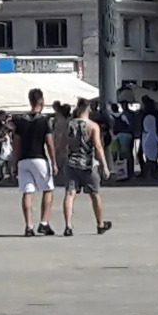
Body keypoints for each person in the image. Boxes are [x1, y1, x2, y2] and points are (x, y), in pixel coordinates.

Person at [59, 100, 113, 236]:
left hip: (72, 163)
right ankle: (100, 224)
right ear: (88, 109)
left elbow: (63, 144)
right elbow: (98, 147)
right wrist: (105, 166)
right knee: (94, 194)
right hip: (88, 164)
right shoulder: (93, 126)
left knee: (70, 194)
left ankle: (68, 225)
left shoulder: (69, 125)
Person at [14, 88, 58, 236]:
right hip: (39, 158)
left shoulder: (20, 121)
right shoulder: (44, 120)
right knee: (48, 189)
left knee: (27, 192)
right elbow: (49, 143)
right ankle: (44, 222)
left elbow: (17, 144)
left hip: (23, 160)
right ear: (41, 101)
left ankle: (28, 226)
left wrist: (14, 162)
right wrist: (54, 161)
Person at [139, 97, 158, 181]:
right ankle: (153, 172)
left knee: (147, 155)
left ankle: (147, 172)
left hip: (146, 135)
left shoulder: (144, 113)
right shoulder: (155, 113)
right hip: (153, 135)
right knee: (153, 155)